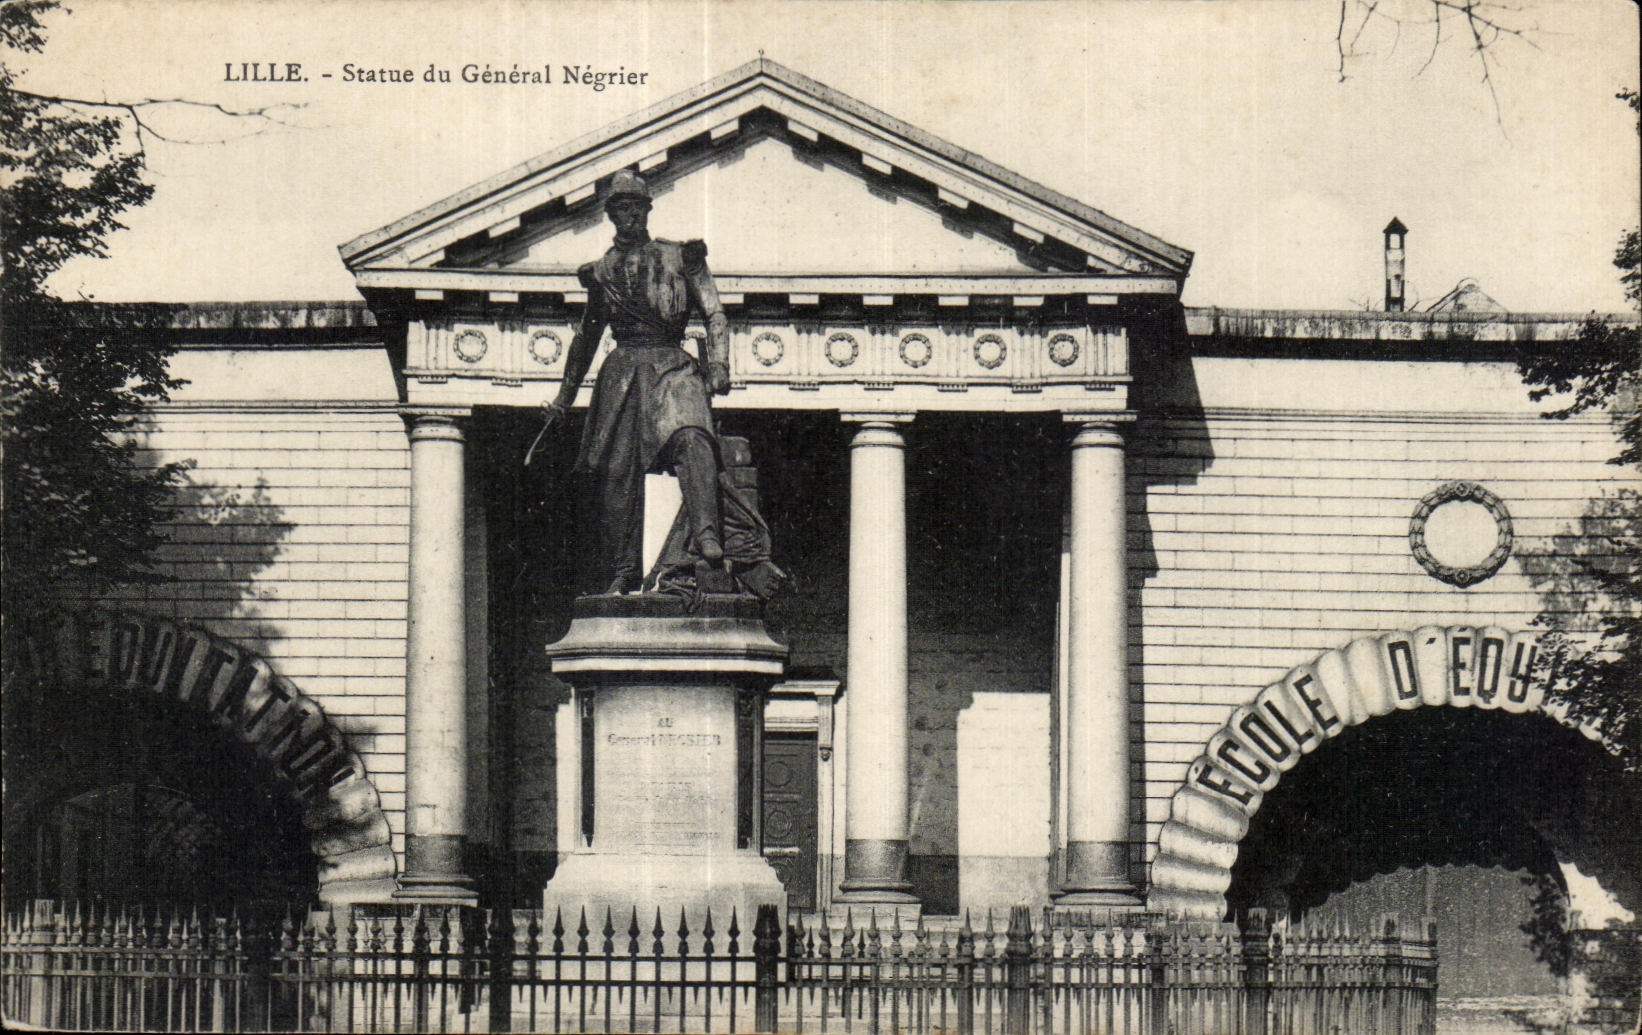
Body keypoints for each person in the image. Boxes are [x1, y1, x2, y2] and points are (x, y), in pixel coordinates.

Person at [540, 170, 733, 595]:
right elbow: (588, 336)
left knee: (694, 436)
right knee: (617, 471)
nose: (629, 215)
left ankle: (707, 536)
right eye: (620, 209)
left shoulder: (681, 256)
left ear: (647, 210)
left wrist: (719, 363)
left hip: (671, 361)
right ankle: (624, 567)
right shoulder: (601, 271)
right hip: (623, 370)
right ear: (610, 215)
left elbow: (714, 312)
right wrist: (563, 397)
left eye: (636, 207)